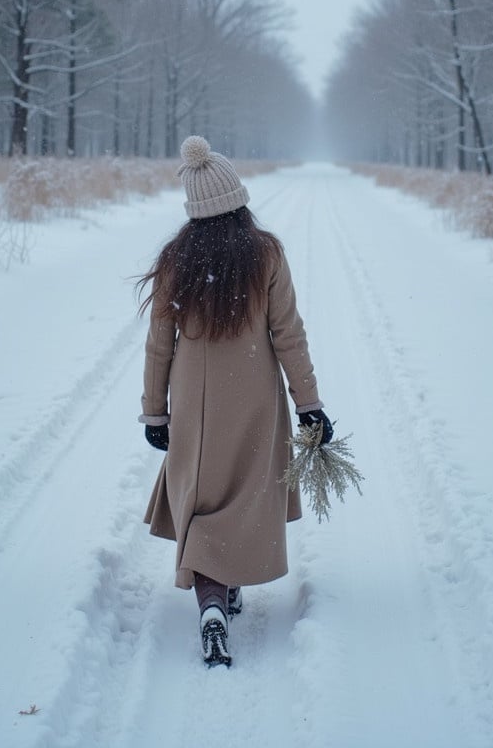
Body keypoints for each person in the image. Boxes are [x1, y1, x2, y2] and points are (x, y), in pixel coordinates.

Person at [137, 136, 332, 668]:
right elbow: (289, 334)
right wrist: (309, 404)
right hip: (255, 397)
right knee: (246, 495)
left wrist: (155, 410)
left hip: (196, 400)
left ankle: (212, 605)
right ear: (238, 199)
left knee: (201, 495)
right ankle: (228, 587)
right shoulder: (266, 253)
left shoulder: (177, 259)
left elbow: (160, 344)